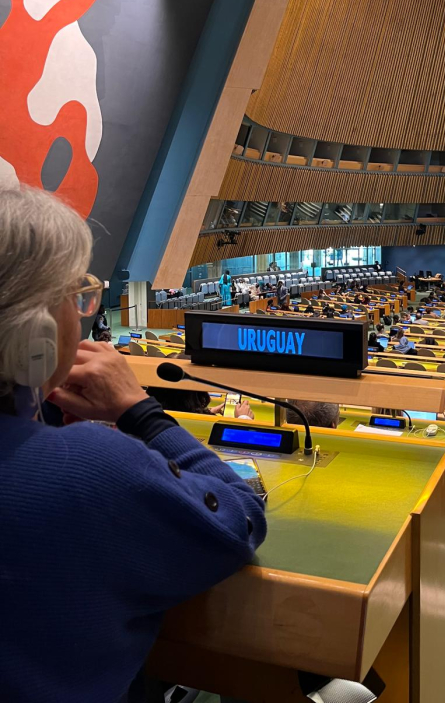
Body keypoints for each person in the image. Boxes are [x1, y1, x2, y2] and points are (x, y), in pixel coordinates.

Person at [0, 187, 266, 702]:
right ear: (35, 332)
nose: (81, 316)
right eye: (75, 296)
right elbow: (239, 517)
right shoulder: (90, 469)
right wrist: (139, 412)